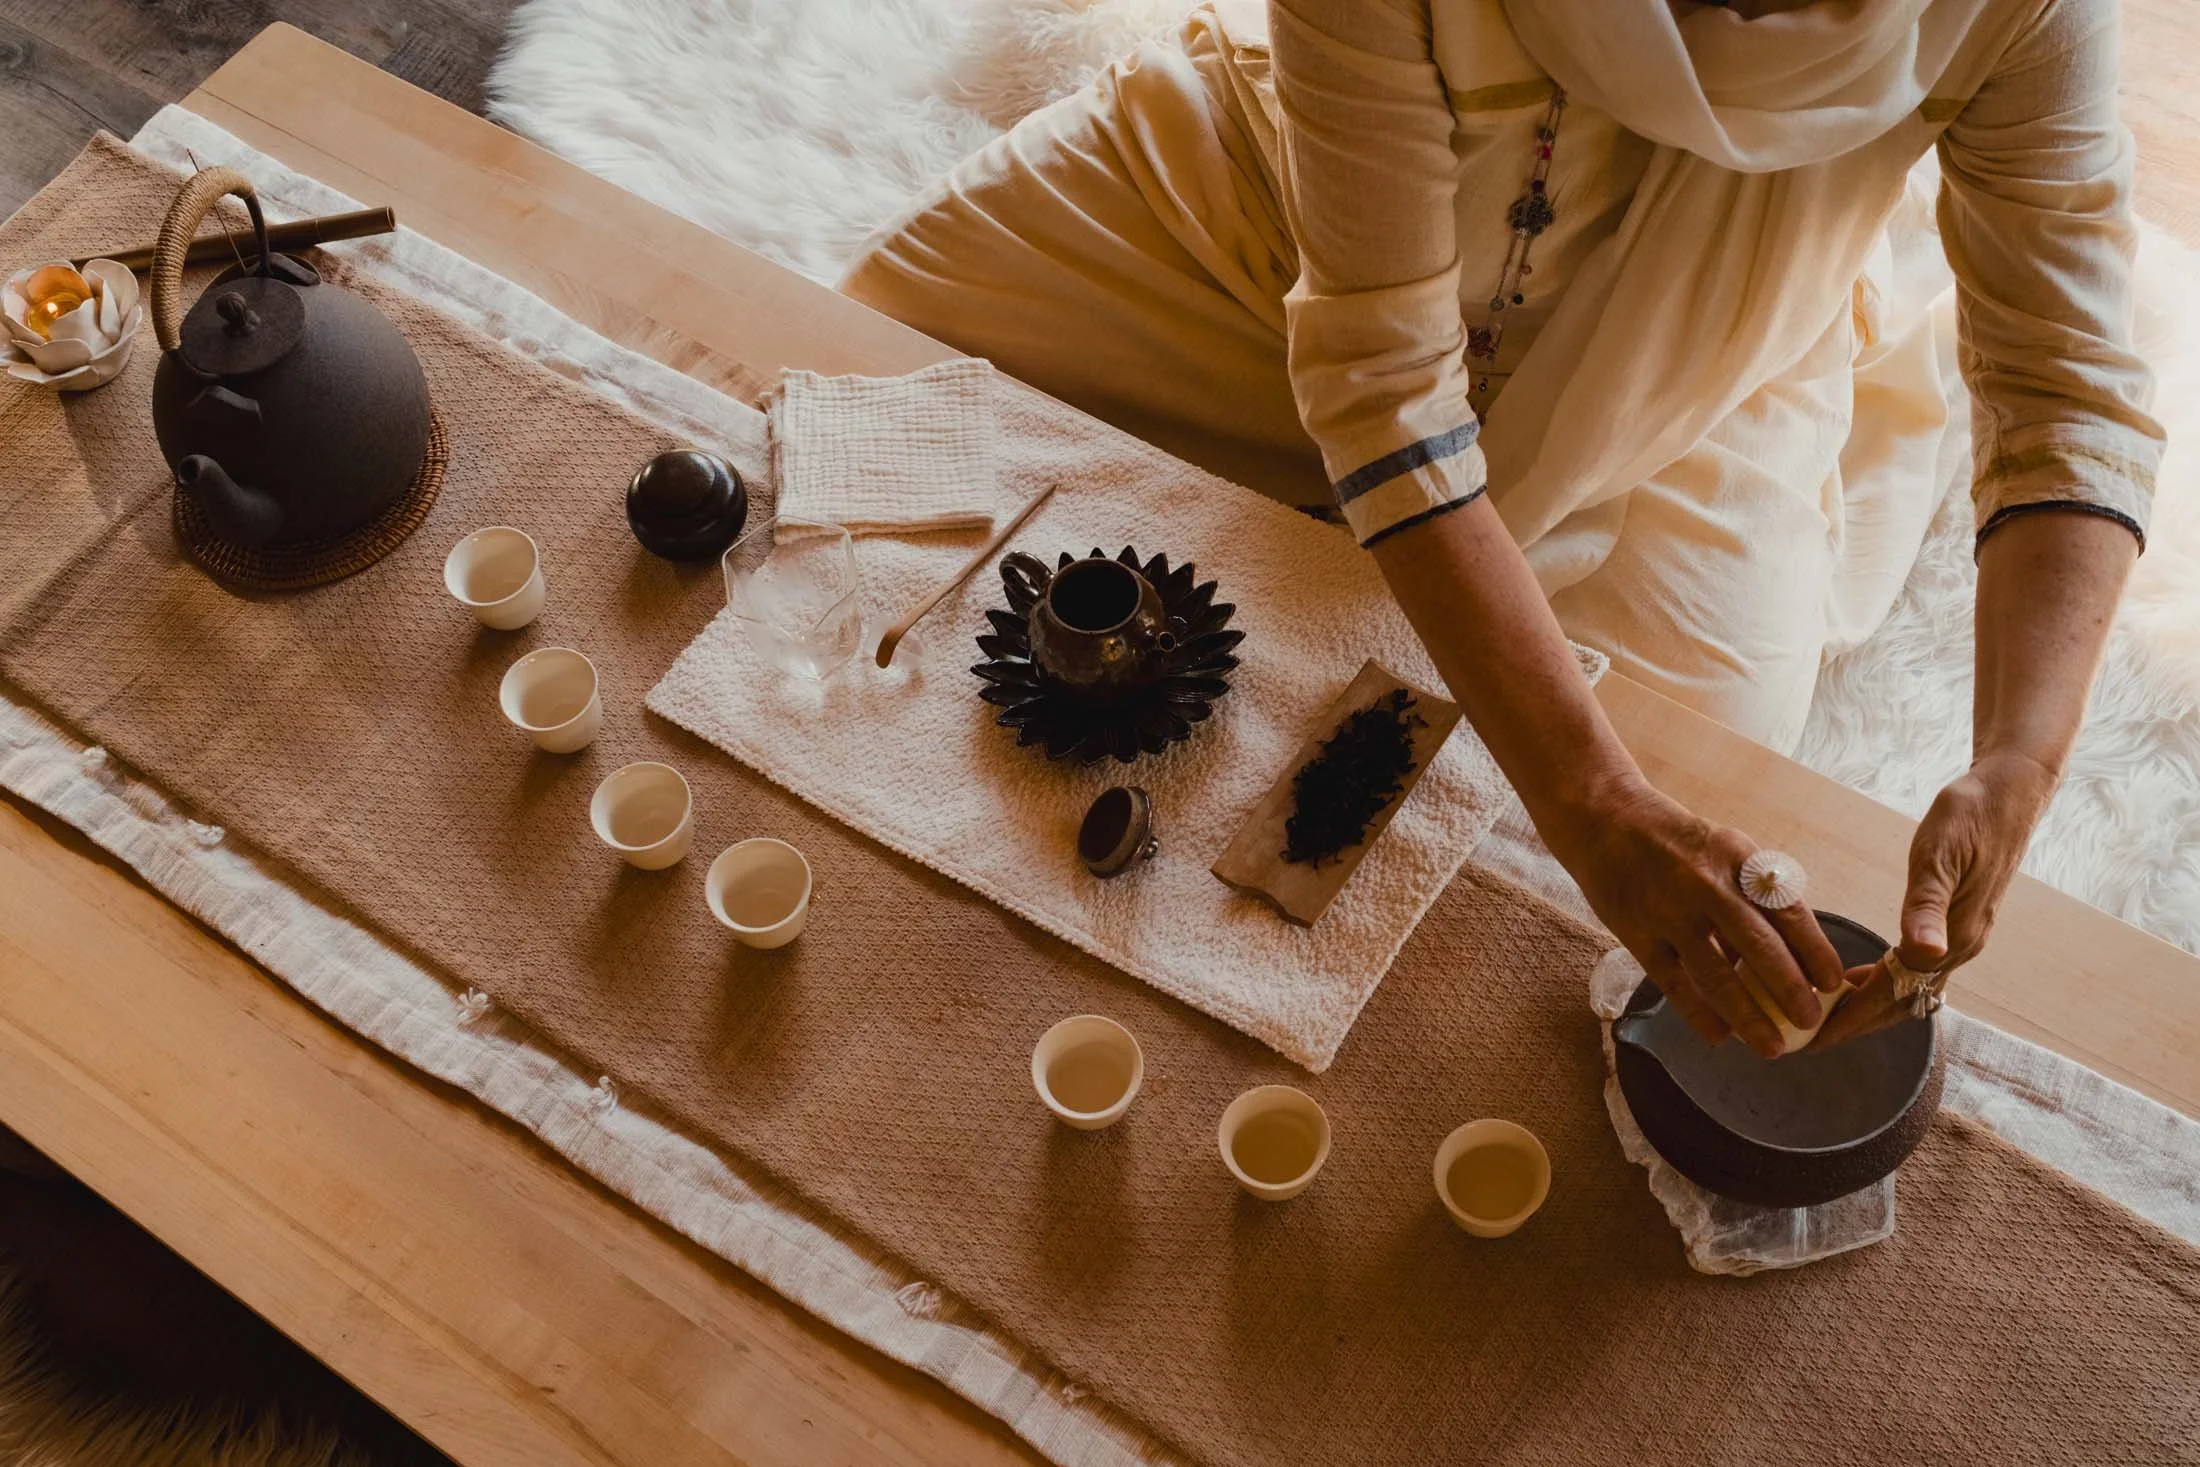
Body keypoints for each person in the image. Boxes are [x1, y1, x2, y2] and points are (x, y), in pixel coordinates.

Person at [843, 0, 2162, 1054]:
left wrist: (2021, 760)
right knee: (867, 396)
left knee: (1707, 794)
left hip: (1687, 386)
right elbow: (1381, 385)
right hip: (1272, 236)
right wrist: (1585, 797)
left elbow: (2066, 384)